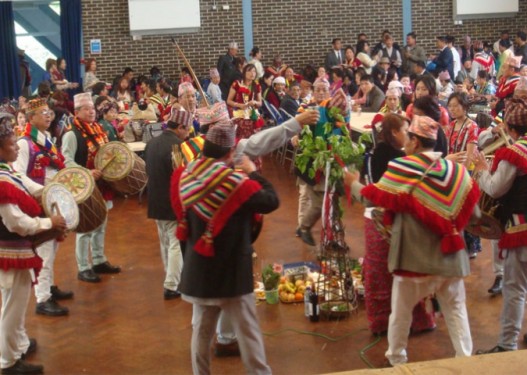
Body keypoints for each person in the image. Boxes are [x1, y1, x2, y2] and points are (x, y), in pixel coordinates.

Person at [345, 114, 480, 367]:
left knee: (401, 313)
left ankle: (397, 359)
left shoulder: (403, 169)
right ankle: (466, 360)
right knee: (456, 310)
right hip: (450, 258)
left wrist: (353, 184)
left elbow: (372, 198)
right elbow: (474, 214)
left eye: (409, 137)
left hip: (413, 260)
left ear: (416, 142)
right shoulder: (457, 172)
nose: (405, 141)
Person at [171, 123, 278, 375]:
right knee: (249, 333)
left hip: (200, 268)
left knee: (201, 332)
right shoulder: (235, 183)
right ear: (230, 153)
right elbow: (271, 200)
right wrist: (252, 172)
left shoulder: (185, 175)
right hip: (232, 273)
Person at [0, 112, 67, 374]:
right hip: (10, 249)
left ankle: (18, 347)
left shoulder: (6, 171)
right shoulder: (2, 179)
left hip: (15, 249)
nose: (17, 147)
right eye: (11, 144)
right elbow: (16, 222)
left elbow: (32, 187)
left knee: (15, 304)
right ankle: (7, 362)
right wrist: (49, 223)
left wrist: (60, 188)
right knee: (12, 308)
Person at [362, 113, 436, 335]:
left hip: (387, 216)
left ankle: (393, 327)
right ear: (395, 133)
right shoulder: (393, 157)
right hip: (386, 218)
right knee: (399, 275)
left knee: (393, 277)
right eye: (406, 131)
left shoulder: (397, 155)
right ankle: (397, 326)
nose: (409, 137)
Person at [474, 97, 527, 354]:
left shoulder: (514, 153)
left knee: (515, 288)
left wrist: (482, 169)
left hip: (521, 230)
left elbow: (494, 189)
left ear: (510, 127)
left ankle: (507, 344)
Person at [13, 98, 72, 317]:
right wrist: (40, 192)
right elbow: (18, 175)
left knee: (54, 245)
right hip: (39, 202)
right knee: (45, 250)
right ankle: (42, 297)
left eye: (49, 112)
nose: (48, 116)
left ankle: (49, 285)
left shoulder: (46, 139)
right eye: (43, 113)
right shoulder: (24, 143)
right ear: (31, 118)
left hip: (53, 199)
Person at [61, 93, 121, 283]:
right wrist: (87, 172)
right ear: (77, 112)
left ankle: (98, 260)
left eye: (92, 108)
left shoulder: (99, 129)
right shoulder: (72, 134)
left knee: (101, 224)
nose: (91, 112)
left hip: (101, 185)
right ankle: (83, 267)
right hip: (83, 186)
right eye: (86, 109)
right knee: (85, 226)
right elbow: (66, 161)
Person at [145, 109, 190, 300]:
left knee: (165, 242)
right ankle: (172, 284)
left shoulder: (152, 143)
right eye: (187, 129)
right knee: (175, 244)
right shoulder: (178, 147)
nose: (188, 133)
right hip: (172, 202)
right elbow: (182, 177)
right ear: (180, 127)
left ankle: (169, 276)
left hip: (155, 199)